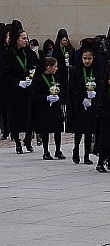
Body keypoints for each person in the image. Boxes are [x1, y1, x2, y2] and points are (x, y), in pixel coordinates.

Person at [0, 21, 38, 154]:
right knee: (15, 117)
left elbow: (36, 68)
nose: (26, 41)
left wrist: (32, 77)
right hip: (14, 91)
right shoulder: (7, 56)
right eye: (23, 38)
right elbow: (4, 75)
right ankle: (17, 142)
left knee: (29, 116)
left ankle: (28, 140)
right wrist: (18, 83)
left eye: (26, 38)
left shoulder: (30, 54)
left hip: (29, 90)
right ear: (16, 40)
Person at [66, 44, 98, 164]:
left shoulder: (96, 70)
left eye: (89, 58)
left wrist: (95, 94)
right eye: (84, 58)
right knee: (79, 130)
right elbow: (73, 88)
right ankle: (76, 150)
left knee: (89, 131)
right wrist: (82, 98)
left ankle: (86, 155)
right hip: (79, 105)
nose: (87, 61)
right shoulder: (76, 70)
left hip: (92, 105)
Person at [31, 57, 66, 160]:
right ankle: (46, 151)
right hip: (43, 109)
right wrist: (46, 97)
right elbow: (35, 96)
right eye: (55, 66)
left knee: (58, 130)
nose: (57, 68)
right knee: (45, 131)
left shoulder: (57, 78)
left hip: (55, 107)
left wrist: (59, 97)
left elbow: (63, 92)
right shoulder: (38, 79)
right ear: (48, 67)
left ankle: (58, 150)